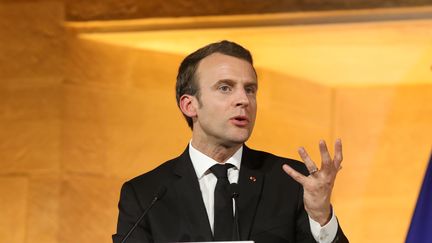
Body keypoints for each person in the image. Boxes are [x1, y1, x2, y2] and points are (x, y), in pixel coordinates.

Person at [112, 40, 348, 243]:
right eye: (225, 88)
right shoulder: (146, 194)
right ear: (189, 105)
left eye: (250, 89)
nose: (243, 100)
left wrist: (320, 217)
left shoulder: (291, 182)